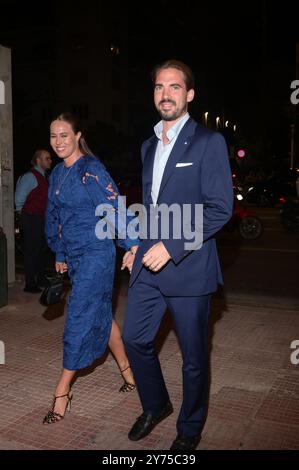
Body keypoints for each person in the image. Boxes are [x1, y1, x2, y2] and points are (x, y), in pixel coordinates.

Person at [122, 60, 233, 450]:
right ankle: (156, 405)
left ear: (189, 94)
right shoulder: (148, 145)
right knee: (134, 339)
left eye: (174, 87)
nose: (165, 94)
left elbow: (219, 208)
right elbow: (152, 207)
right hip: (148, 268)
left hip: (189, 268)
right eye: (158, 87)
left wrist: (169, 247)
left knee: (193, 359)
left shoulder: (208, 142)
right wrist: (137, 245)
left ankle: (189, 430)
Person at [43, 112, 139, 424]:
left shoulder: (91, 170)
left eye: (64, 136)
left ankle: (62, 390)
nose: (58, 142)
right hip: (73, 255)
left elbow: (115, 208)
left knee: (78, 317)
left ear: (77, 136)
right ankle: (129, 372)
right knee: (100, 314)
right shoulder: (58, 173)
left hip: (97, 254)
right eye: (53, 136)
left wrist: (132, 245)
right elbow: (54, 215)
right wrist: (59, 251)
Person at [15, 149, 52, 293]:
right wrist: (23, 216)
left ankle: (41, 279)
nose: (50, 161)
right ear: (38, 161)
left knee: (41, 250)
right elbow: (19, 199)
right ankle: (30, 284)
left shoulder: (44, 176)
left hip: (40, 218)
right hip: (31, 217)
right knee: (31, 251)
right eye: (47, 158)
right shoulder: (30, 177)